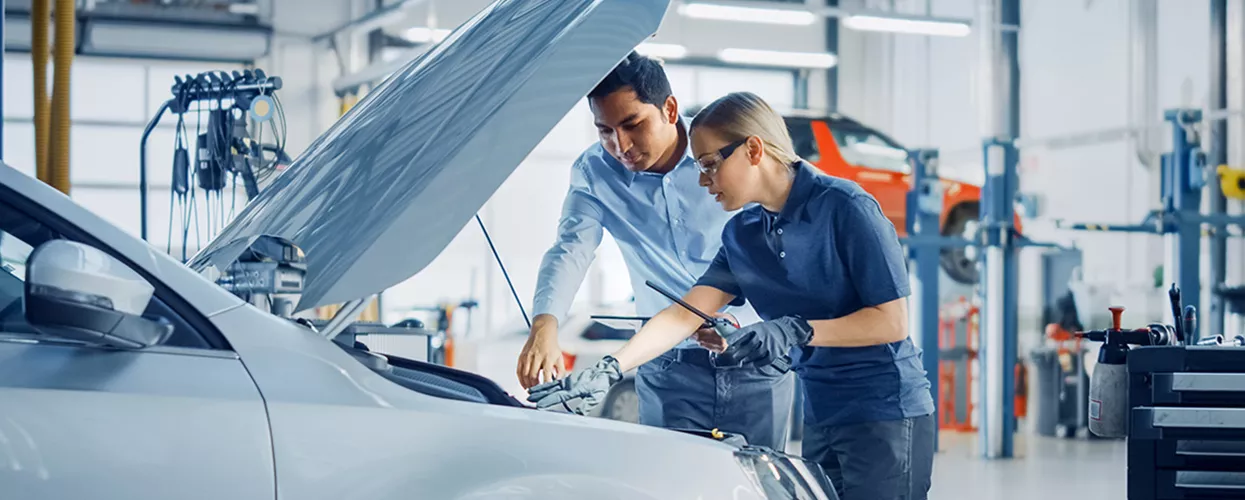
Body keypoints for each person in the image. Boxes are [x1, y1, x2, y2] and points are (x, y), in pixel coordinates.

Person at [527, 91, 935, 500]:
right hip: (821, 412)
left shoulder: (846, 207)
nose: (703, 181)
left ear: (753, 149)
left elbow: (891, 321)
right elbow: (684, 314)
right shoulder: (743, 234)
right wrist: (612, 367)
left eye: (708, 166)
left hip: (885, 410)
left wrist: (793, 331)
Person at [517, 53, 795, 451]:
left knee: (760, 485)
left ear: (669, 108)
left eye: (633, 125)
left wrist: (751, 324)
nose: (621, 145)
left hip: (755, 356)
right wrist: (545, 324)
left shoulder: (725, 159)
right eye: (605, 131)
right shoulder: (595, 173)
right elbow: (571, 249)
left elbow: (778, 249)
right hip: (667, 367)